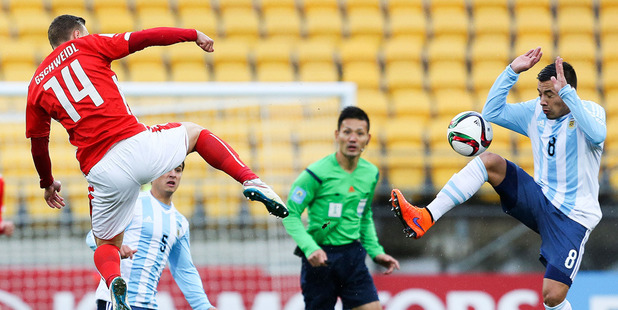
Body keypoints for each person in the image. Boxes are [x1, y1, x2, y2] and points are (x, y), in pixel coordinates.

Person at [26, 15, 287, 310]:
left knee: (107, 246)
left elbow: (38, 144)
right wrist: (191, 34)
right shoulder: (88, 45)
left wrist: (47, 184)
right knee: (196, 135)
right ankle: (250, 180)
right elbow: (144, 37)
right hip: (137, 145)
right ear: (76, 34)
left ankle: (114, 282)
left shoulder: (35, 86)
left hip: (101, 170)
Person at [391, 47, 606, 310]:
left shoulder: (590, 112)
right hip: (540, 199)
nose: (542, 101)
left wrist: (570, 97)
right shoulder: (536, 113)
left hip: (574, 218)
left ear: (567, 91)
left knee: (552, 296)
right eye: (540, 94)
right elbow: (491, 113)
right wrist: (511, 71)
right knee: (490, 162)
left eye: (549, 94)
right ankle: (424, 216)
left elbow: (596, 136)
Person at [282, 106, 400, 310]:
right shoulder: (315, 174)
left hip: (353, 256)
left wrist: (375, 251)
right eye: (347, 132)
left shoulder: (370, 173)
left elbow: (364, 215)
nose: (353, 138)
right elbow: (290, 214)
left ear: (368, 139)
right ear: (337, 135)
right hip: (320, 259)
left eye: (359, 133)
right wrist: (310, 248)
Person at [87, 163, 216, 310]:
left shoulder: (180, 223)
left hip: (147, 304)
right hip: (115, 302)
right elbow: (92, 236)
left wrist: (204, 306)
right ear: (153, 174)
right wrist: (113, 247)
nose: (173, 174)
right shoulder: (132, 204)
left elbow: (183, 269)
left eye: (178, 170)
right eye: (167, 169)